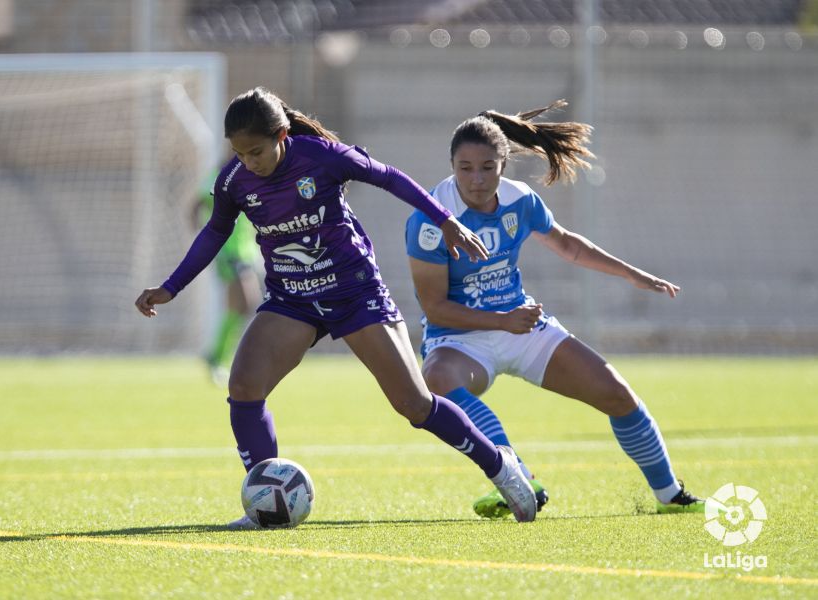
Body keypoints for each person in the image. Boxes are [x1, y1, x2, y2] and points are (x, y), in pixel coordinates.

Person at [135, 87, 538, 528]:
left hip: (354, 293)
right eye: (239, 153)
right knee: (245, 386)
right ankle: (267, 499)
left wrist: (446, 220)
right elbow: (214, 232)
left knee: (414, 403)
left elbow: (389, 176)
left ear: (282, 135)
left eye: (256, 151)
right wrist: (171, 286)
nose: (248, 161)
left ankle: (500, 466)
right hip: (293, 299)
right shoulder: (235, 180)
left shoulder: (322, 157)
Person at [405, 100, 706, 518]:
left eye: (487, 167)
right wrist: (501, 321)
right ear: (451, 166)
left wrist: (631, 274)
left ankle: (670, 494)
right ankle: (519, 480)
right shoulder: (429, 220)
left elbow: (567, 244)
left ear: (504, 165)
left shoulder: (519, 201)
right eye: (465, 168)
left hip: (523, 326)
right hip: (460, 338)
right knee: (435, 378)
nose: (476, 179)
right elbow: (436, 309)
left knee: (618, 396)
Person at [195, 171, 262, 384]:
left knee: (243, 306)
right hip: (229, 251)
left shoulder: (253, 175)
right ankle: (220, 357)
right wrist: (208, 241)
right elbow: (195, 207)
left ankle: (217, 355)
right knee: (245, 303)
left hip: (245, 251)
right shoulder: (219, 178)